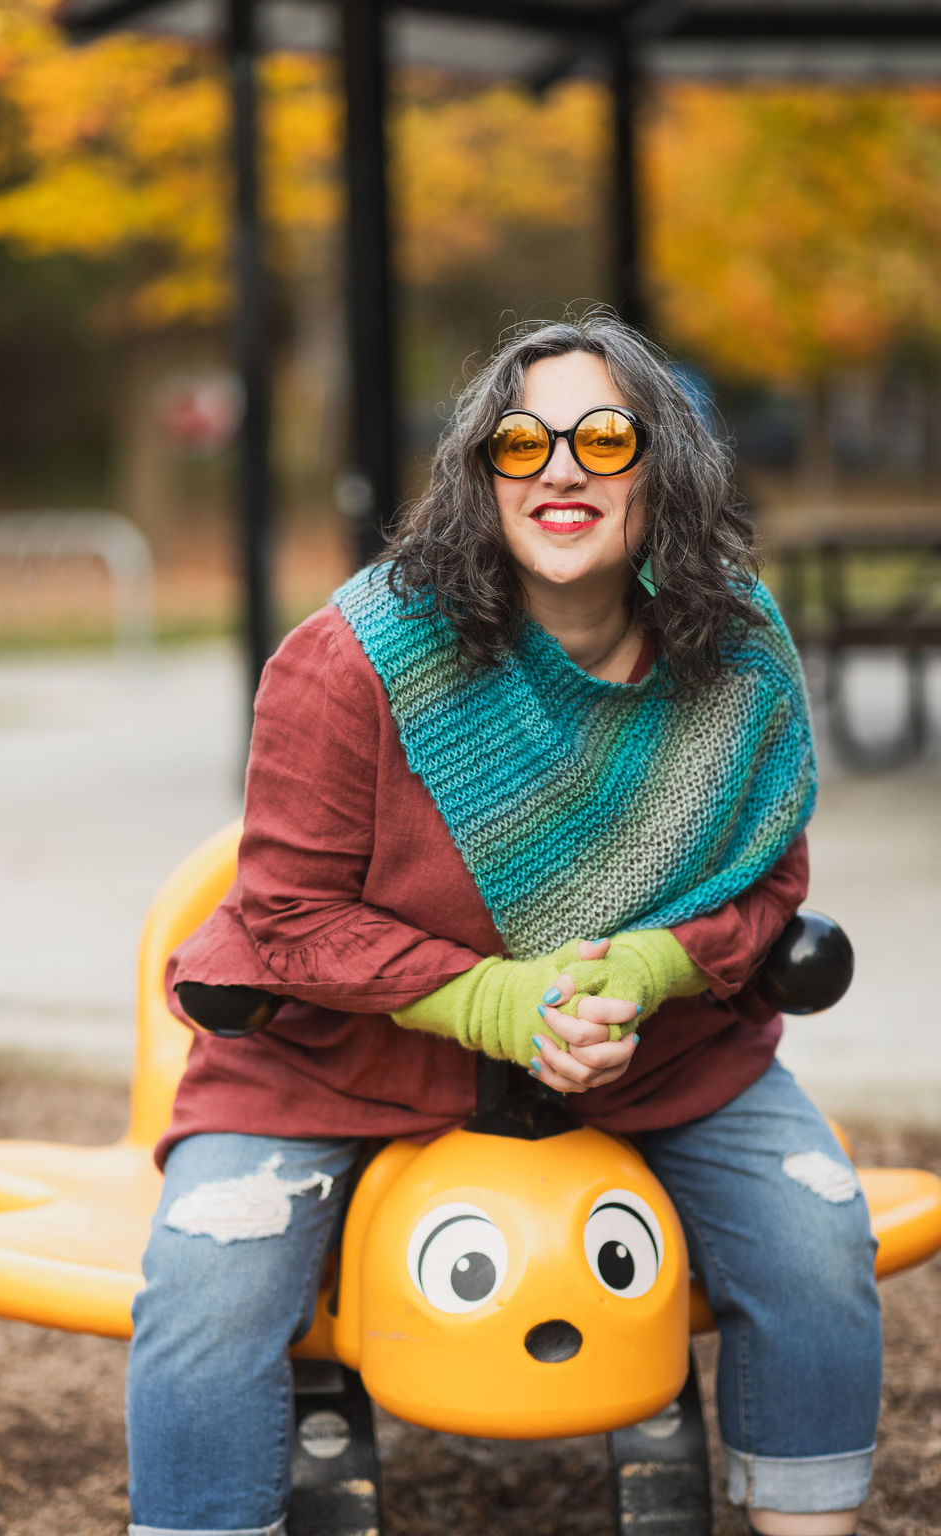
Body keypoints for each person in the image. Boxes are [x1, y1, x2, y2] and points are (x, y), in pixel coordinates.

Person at [125, 311, 881, 1536]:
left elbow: (766, 889)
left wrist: (644, 968)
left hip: (661, 1052)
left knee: (815, 1242)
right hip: (347, 1057)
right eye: (519, 443)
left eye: (602, 436)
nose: (561, 467)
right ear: (479, 476)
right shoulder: (354, 657)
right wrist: (499, 1002)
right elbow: (287, 914)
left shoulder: (736, 652)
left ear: (663, 465)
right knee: (207, 1286)